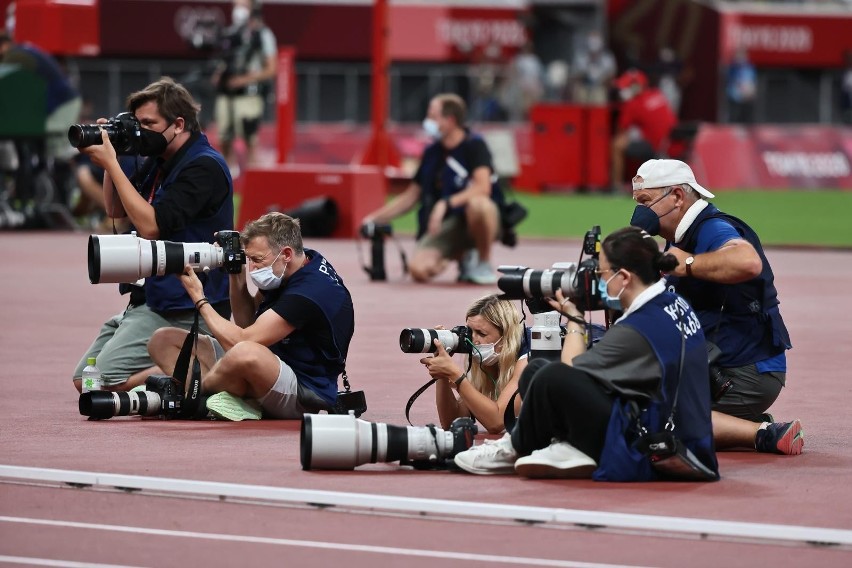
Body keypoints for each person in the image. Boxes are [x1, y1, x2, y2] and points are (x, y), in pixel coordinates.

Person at [453, 227, 719, 480]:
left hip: (652, 446)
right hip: (678, 432)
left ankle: (515, 449)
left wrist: (575, 317)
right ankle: (561, 445)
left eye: (601, 275)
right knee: (536, 370)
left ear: (624, 277)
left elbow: (567, 377)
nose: (596, 282)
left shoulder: (637, 330)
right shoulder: (673, 303)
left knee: (549, 376)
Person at [628, 158, 802, 455]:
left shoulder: (712, 228)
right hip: (717, 366)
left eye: (646, 201)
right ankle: (732, 423)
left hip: (745, 373)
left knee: (647, 420)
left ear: (678, 197)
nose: (639, 212)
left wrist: (690, 264)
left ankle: (762, 433)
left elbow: (746, 261)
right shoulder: (679, 237)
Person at [72, 77, 234, 394]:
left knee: (98, 385)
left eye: (149, 123)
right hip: (151, 300)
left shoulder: (203, 167)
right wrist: (114, 157)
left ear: (177, 124)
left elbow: (151, 226)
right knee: (84, 379)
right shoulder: (160, 161)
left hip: (182, 306)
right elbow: (115, 209)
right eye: (139, 123)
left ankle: (184, 367)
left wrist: (112, 165)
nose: (142, 131)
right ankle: (176, 367)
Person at [147, 212, 355, 421]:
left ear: (286, 254)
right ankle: (236, 398)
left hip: (303, 389)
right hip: (270, 362)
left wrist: (199, 298)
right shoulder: (293, 264)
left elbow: (242, 341)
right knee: (162, 340)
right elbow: (247, 322)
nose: (253, 267)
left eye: (257, 260)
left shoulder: (308, 292)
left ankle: (192, 396)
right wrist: (236, 275)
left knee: (244, 352)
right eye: (249, 258)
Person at [361, 93, 504, 285]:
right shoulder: (431, 153)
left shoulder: (475, 145)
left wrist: (445, 203)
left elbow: (483, 187)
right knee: (417, 270)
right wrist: (373, 218)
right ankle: (458, 255)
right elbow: (411, 196)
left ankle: (483, 262)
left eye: (433, 116)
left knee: (479, 205)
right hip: (445, 226)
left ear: (450, 120)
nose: (427, 122)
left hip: (480, 219)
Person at [420, 295, 528, 434]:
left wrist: (457, 376)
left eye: (481, 333)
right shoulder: (486, 361)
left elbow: (496, 422)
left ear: (506, 336)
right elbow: (452, 422)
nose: (473, 341)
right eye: (470, 332)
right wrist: (442, 374)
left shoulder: (530, 356)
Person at [211, 0, 277, 172]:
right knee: (224, 138)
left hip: (249, 95)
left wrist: (244, 79)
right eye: (236, 5)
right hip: (226, 94)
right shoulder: (231, 32)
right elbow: (226, 59)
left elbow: (271, 69)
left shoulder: (262, 34)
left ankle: (254, 184)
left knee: (250, 139)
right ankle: (229, 178)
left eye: (243, 5)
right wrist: (220, 73)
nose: (238, 10)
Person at [610, 69, 677, 194]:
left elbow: (621, 130)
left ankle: (617, 188)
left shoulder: (633, 103)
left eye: (625, 87)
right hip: (676, 144)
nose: (622, 91)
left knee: (617, 144)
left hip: (658, 148)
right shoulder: (658, 94)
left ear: (636, 87)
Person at [726, 48, 757, 124]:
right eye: (738, 56)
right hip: (735, 97)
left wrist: (750, 92)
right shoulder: (732, 68)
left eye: (742, 56)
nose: (740, 58)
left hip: (747, 98)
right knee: (734, 118)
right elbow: (731, 82)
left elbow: (752, 82)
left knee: (747, 118)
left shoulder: (749, 67)